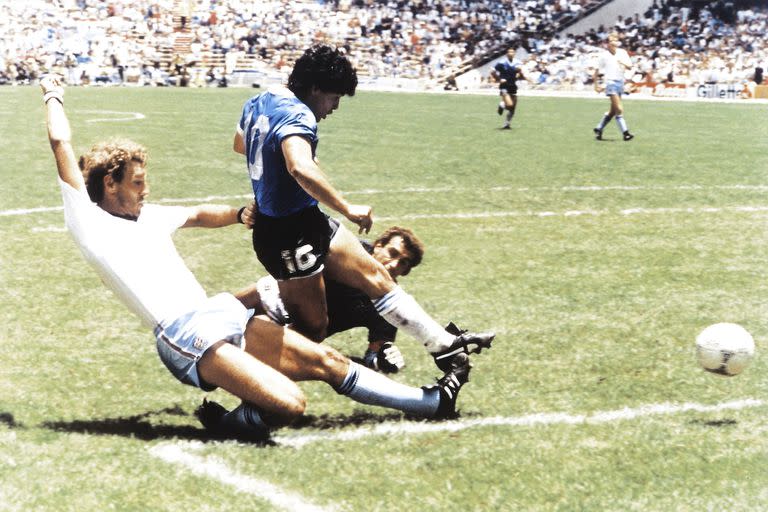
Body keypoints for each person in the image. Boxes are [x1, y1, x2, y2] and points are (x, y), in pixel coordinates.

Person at [38, 75, 474, 443]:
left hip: (216, 312)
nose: (146, 189)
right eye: (137, 182)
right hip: (185, 336)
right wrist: (52, 93)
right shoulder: (89, 221)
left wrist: (238, 214)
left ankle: (434, 403)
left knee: (329, 362)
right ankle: (231, 423)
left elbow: (196, 214)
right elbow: (60, 140)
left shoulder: (146, 215)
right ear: (110, 184)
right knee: (289, 404)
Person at [233, 44, 494, 372]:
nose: (335, 107)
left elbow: (241, 144)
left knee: (376, 274)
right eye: (334, 97)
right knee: (312, 329)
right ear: (315, 88)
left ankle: (442, 345)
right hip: (287, 233)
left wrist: (271, 178)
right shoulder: (299, 113)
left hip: (305, 218)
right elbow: (299, 167)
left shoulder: (261, 100)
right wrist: (347, 207)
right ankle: (241, 370)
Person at [237, 226, 428, 374]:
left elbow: (373, 356)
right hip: (273, 294)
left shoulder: (389, 304)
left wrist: (384, 361)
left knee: (241, 357)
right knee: (213, 318)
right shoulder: (350, 250)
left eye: (403, 262)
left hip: (298, 332)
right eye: (392, 253)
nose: (394, 264)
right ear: (378, 245)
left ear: (406, 271)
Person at [592, 34, 634, 141]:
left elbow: (630, 66)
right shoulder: (604, 55)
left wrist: (622, 63)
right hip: (610, 83)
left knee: (613, 111)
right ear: (607, 43)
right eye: (611, 40)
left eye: (616, 40)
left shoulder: (622, 53)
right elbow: (596, 70)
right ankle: (626, 133)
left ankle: (599, 128)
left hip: (620, 82)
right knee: (619, 109)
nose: (614, 42)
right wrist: (596, 85)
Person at [490, 48, 530, 130]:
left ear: (515, 53)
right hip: (504, 86)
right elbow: (493, 71)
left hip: (513, 86)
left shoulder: (518, 62)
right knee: (509, 105)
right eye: (509, 52)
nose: (511, 53)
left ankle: (507, 124)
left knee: (513, 108)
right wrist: (499, 79)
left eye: (512, 52)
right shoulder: (502, 63)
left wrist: (521, 76)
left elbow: (520, 72)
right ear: (506, 54)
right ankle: (502, 105)